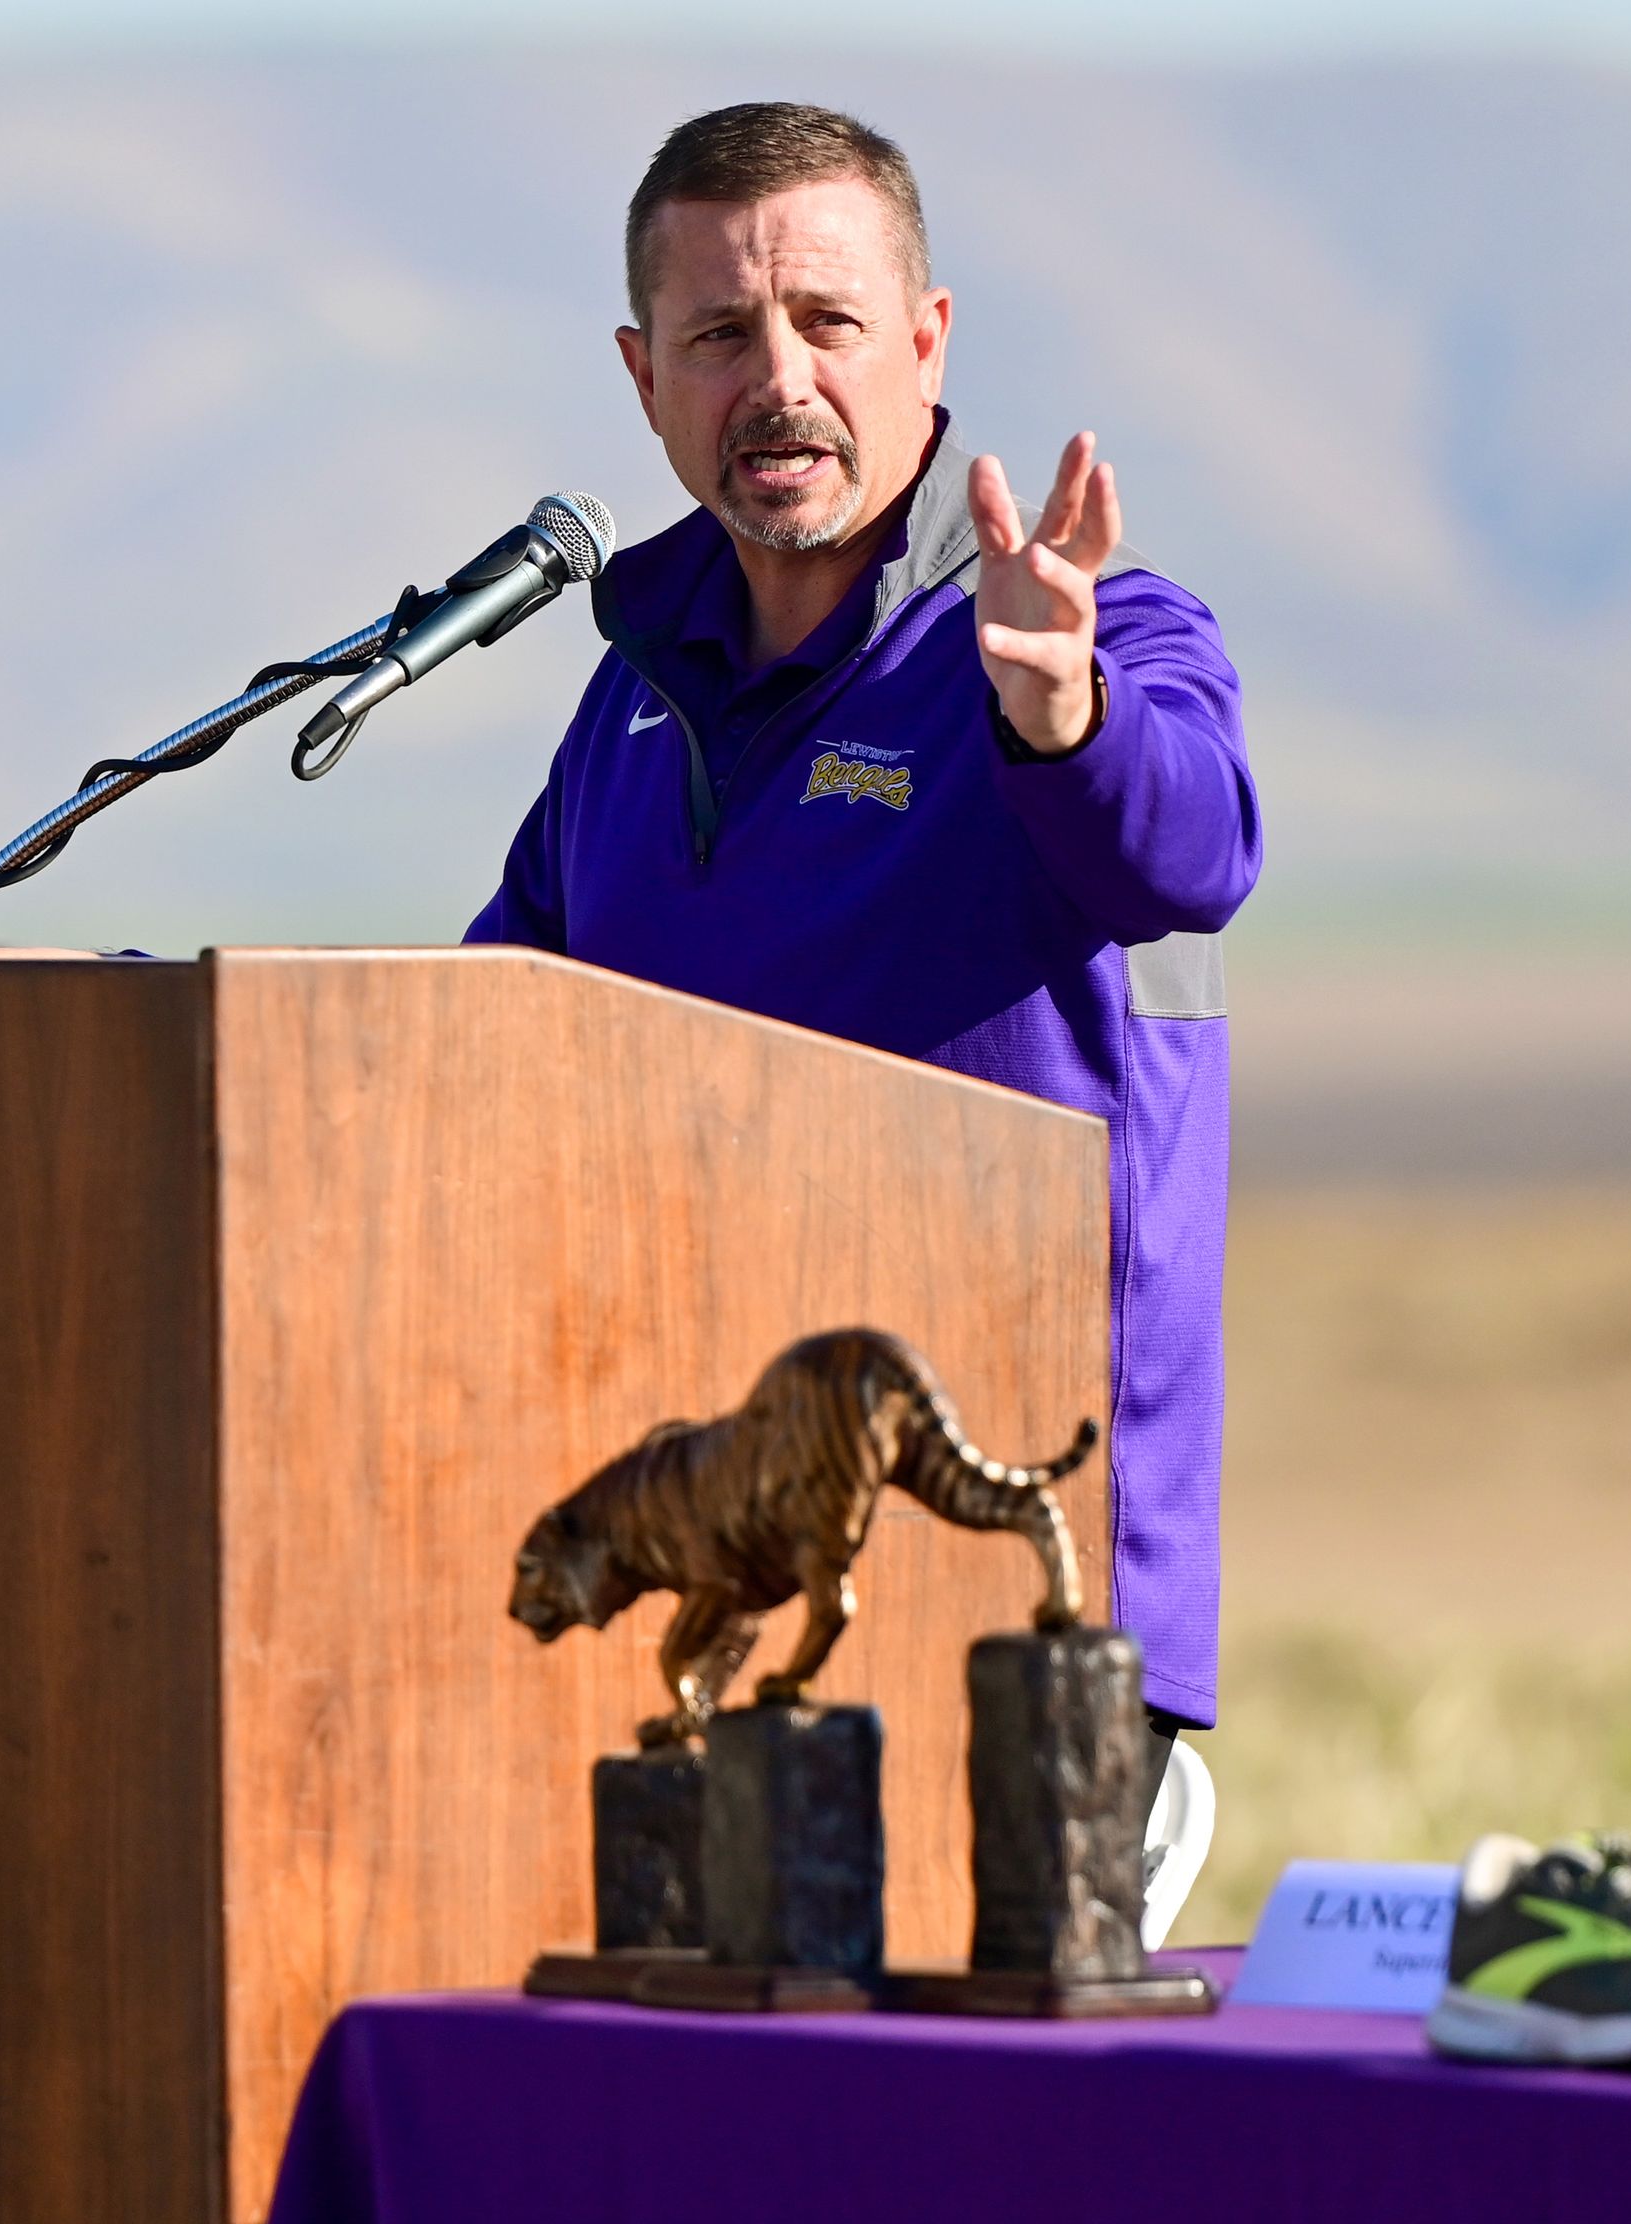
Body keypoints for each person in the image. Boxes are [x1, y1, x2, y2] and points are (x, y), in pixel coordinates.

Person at [467, 105, 1261, 1759]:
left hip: (1021, 1625)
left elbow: (1194, 850)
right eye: (718, 334)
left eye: (826, 322)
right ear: (643, 378)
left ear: (925, 338)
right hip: (713, 1607)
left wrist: (1064, 713)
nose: (779, 378)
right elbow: (471, 1049)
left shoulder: (1086, 636)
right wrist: (142, 1008)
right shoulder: (632, 699)